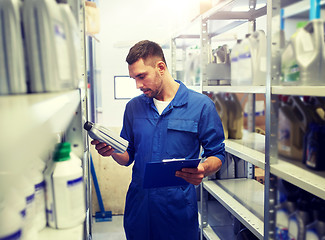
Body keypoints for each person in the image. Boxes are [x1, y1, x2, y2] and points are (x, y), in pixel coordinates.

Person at [91, 40, 225, 240]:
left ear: (160, 67)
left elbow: (217, 154)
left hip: (177, 212)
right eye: (133, 78)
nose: (137, 85)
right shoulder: (134, 108)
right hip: (139, 209)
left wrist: (203, 169)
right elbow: (128, 156)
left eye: (141, 76)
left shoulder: (201, 106)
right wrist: (112, 151)